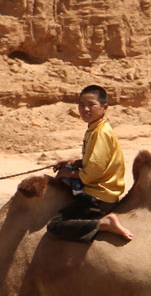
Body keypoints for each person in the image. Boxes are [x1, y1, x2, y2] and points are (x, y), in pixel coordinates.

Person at [48, 84, 135, 243]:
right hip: (101, 191)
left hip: (99, 197)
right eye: (81, 105)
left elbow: (94, 171)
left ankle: (104, 224)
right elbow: (96, 160)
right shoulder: (95, 128)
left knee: (55, 225)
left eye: (91, 105)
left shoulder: (100, 132)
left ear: (104, 107)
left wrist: (68, 173)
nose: (85, 109)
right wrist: (74, 163)